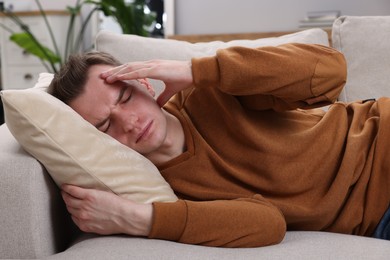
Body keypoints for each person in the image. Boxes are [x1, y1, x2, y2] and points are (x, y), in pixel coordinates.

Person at [48, 43, 390, 248]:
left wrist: (199, 71)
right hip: (378, 216)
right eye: (105, 126)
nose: (130, 123)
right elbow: (268, 224)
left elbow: (331, 71)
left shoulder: (208, 90)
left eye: (125, 98)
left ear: (144, 84)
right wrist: (139, 217)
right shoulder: (150, 188)